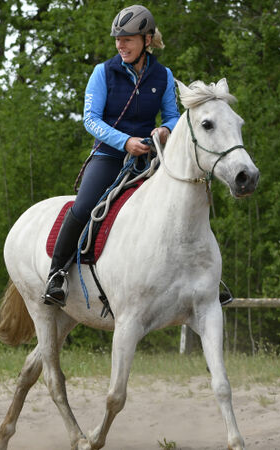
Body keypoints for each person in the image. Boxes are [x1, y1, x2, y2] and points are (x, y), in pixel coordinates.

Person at [43, 5, 179, 307]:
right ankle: (57, 275)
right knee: (83, 206)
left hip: (149, 158)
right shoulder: (102, 72)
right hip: (108, 155)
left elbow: (173, 116)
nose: (121, 45)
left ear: (146, 39)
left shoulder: (164, 76)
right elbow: (90, 119)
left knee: (185, 198)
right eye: (118, 39)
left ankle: (204, 276)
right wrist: (125, 142)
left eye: (128, 39)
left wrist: (165, 131)